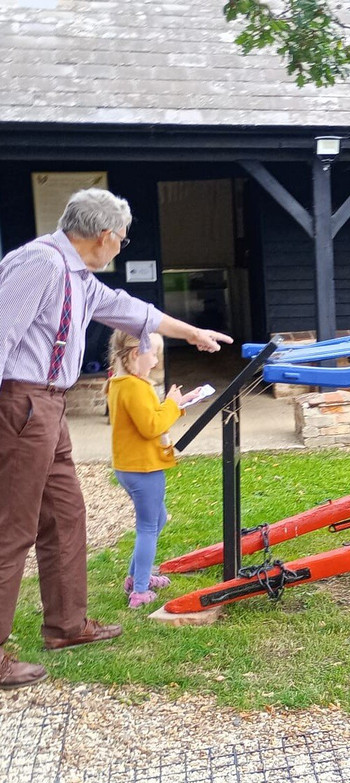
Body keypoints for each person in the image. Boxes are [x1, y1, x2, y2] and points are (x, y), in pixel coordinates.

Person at [0, 188, 231, 690]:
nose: (121, 247)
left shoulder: (78, 277)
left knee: (66, 517)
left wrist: (191, 332)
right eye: (122, 240)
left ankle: (66, 625)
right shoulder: (38, 264)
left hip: (51, 405)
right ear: (105, 235)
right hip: (22, 404)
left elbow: (132, 310)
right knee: (12, 528)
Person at [108, 331, 199, 609]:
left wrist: (177, 405)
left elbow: (147, 418)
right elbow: (152, 427)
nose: (157, 361)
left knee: (157, 520)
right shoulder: (136, 387)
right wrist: (171, 404)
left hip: (130, 467)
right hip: (144, 469)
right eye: (154, 354)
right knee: (148, 527)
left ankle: (137, 576)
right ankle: (140, 591)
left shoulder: (121, 383)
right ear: (136, 354)